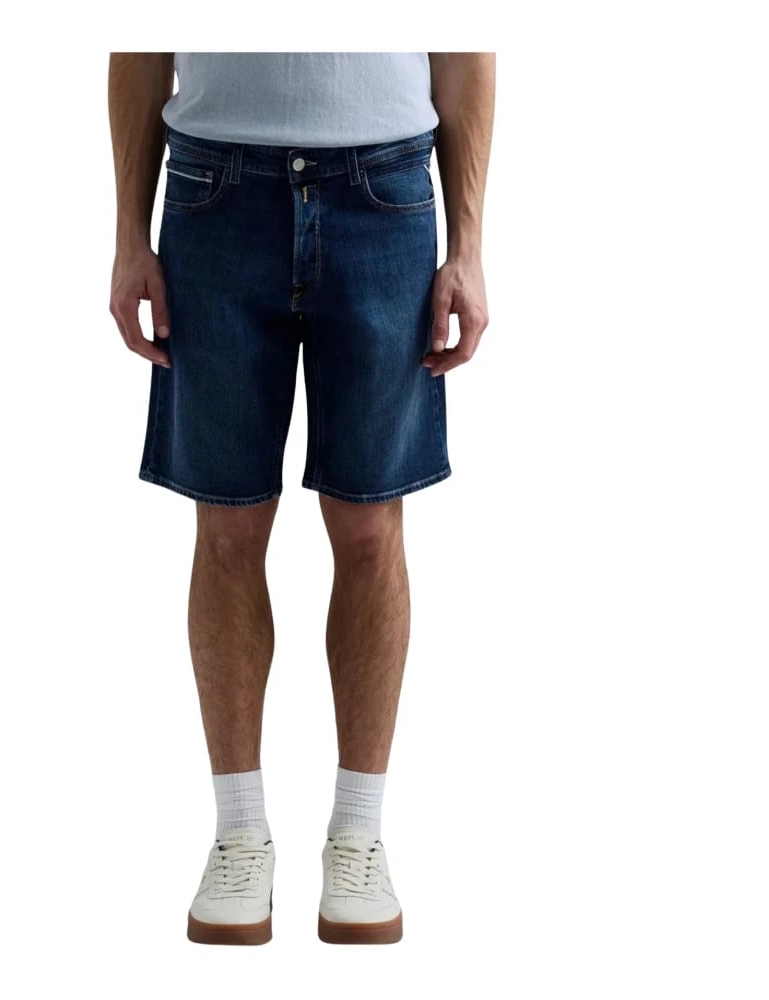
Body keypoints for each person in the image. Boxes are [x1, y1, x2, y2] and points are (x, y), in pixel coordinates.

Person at [107, 51, 494, 945]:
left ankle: (358, 836)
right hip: (214, 192)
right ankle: (240, 835)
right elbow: (138, 43)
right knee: (227, 529)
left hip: (383, 190)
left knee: (370, 528)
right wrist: (129, 235)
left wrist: (470, 247)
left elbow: (465, 46)